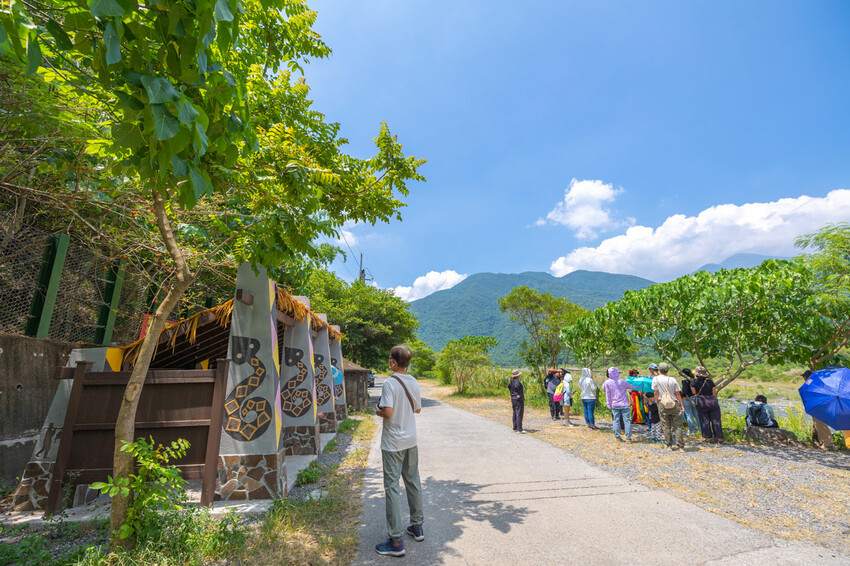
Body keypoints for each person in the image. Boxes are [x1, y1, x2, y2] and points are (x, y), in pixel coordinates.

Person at [374, 345, 424, 557]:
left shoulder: (389, 383)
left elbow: (388, 412)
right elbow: (417, 408)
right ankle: (417, 527)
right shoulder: (413, 381)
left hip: (393, 442)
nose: (389, 361)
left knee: (392, 486)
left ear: (394, 362)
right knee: (413, 481)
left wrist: (377, 410)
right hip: (410, 440)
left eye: (389, 358)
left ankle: (395, 542)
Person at [653, 362, 685, 450]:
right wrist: (681, 405)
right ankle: (680, 445)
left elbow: (655, 392)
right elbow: (678, 393)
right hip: (674, 403)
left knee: (666, 425)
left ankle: (669, 445)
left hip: (662, 402)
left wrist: (657, 402)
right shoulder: (672, 379)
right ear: (668, 370)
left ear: (659, 370)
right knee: (678, 425)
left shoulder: (655, 379)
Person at [801, 370, 836, 450]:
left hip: (819, 407)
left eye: (804, 377)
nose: (803, 378)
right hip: (820, 406)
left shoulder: (813, 383)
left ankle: (827, 444)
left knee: (821, 424)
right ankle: (822, 442)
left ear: (807, 377)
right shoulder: (818, 383)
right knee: (818, 424)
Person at [690, 365, 724, 443]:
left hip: (701, 401)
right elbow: (714, 392)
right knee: (716, 420)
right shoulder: (710, 382)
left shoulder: (693, 382)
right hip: (712, 401)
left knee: (704, 420)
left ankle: (708, 438)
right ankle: (720, 438)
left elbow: (694, 392)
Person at [603, 367, 636, 443]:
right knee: (627, 421)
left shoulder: (607, 383)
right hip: (624, 404)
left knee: (616, 421)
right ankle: (628, 438)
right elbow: (631, 386)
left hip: (615, 404)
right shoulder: (622, 382)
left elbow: (608, 395)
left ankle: (617, 437)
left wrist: (609, 404)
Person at [680, 368, 700, 436]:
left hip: (687, 400)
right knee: (697, 415)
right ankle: (700, 429)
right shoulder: (694, 380)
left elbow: (685, 392)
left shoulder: (685, 382)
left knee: (689, 415)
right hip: (694, 400)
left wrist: (680, 394)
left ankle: (691, 431)